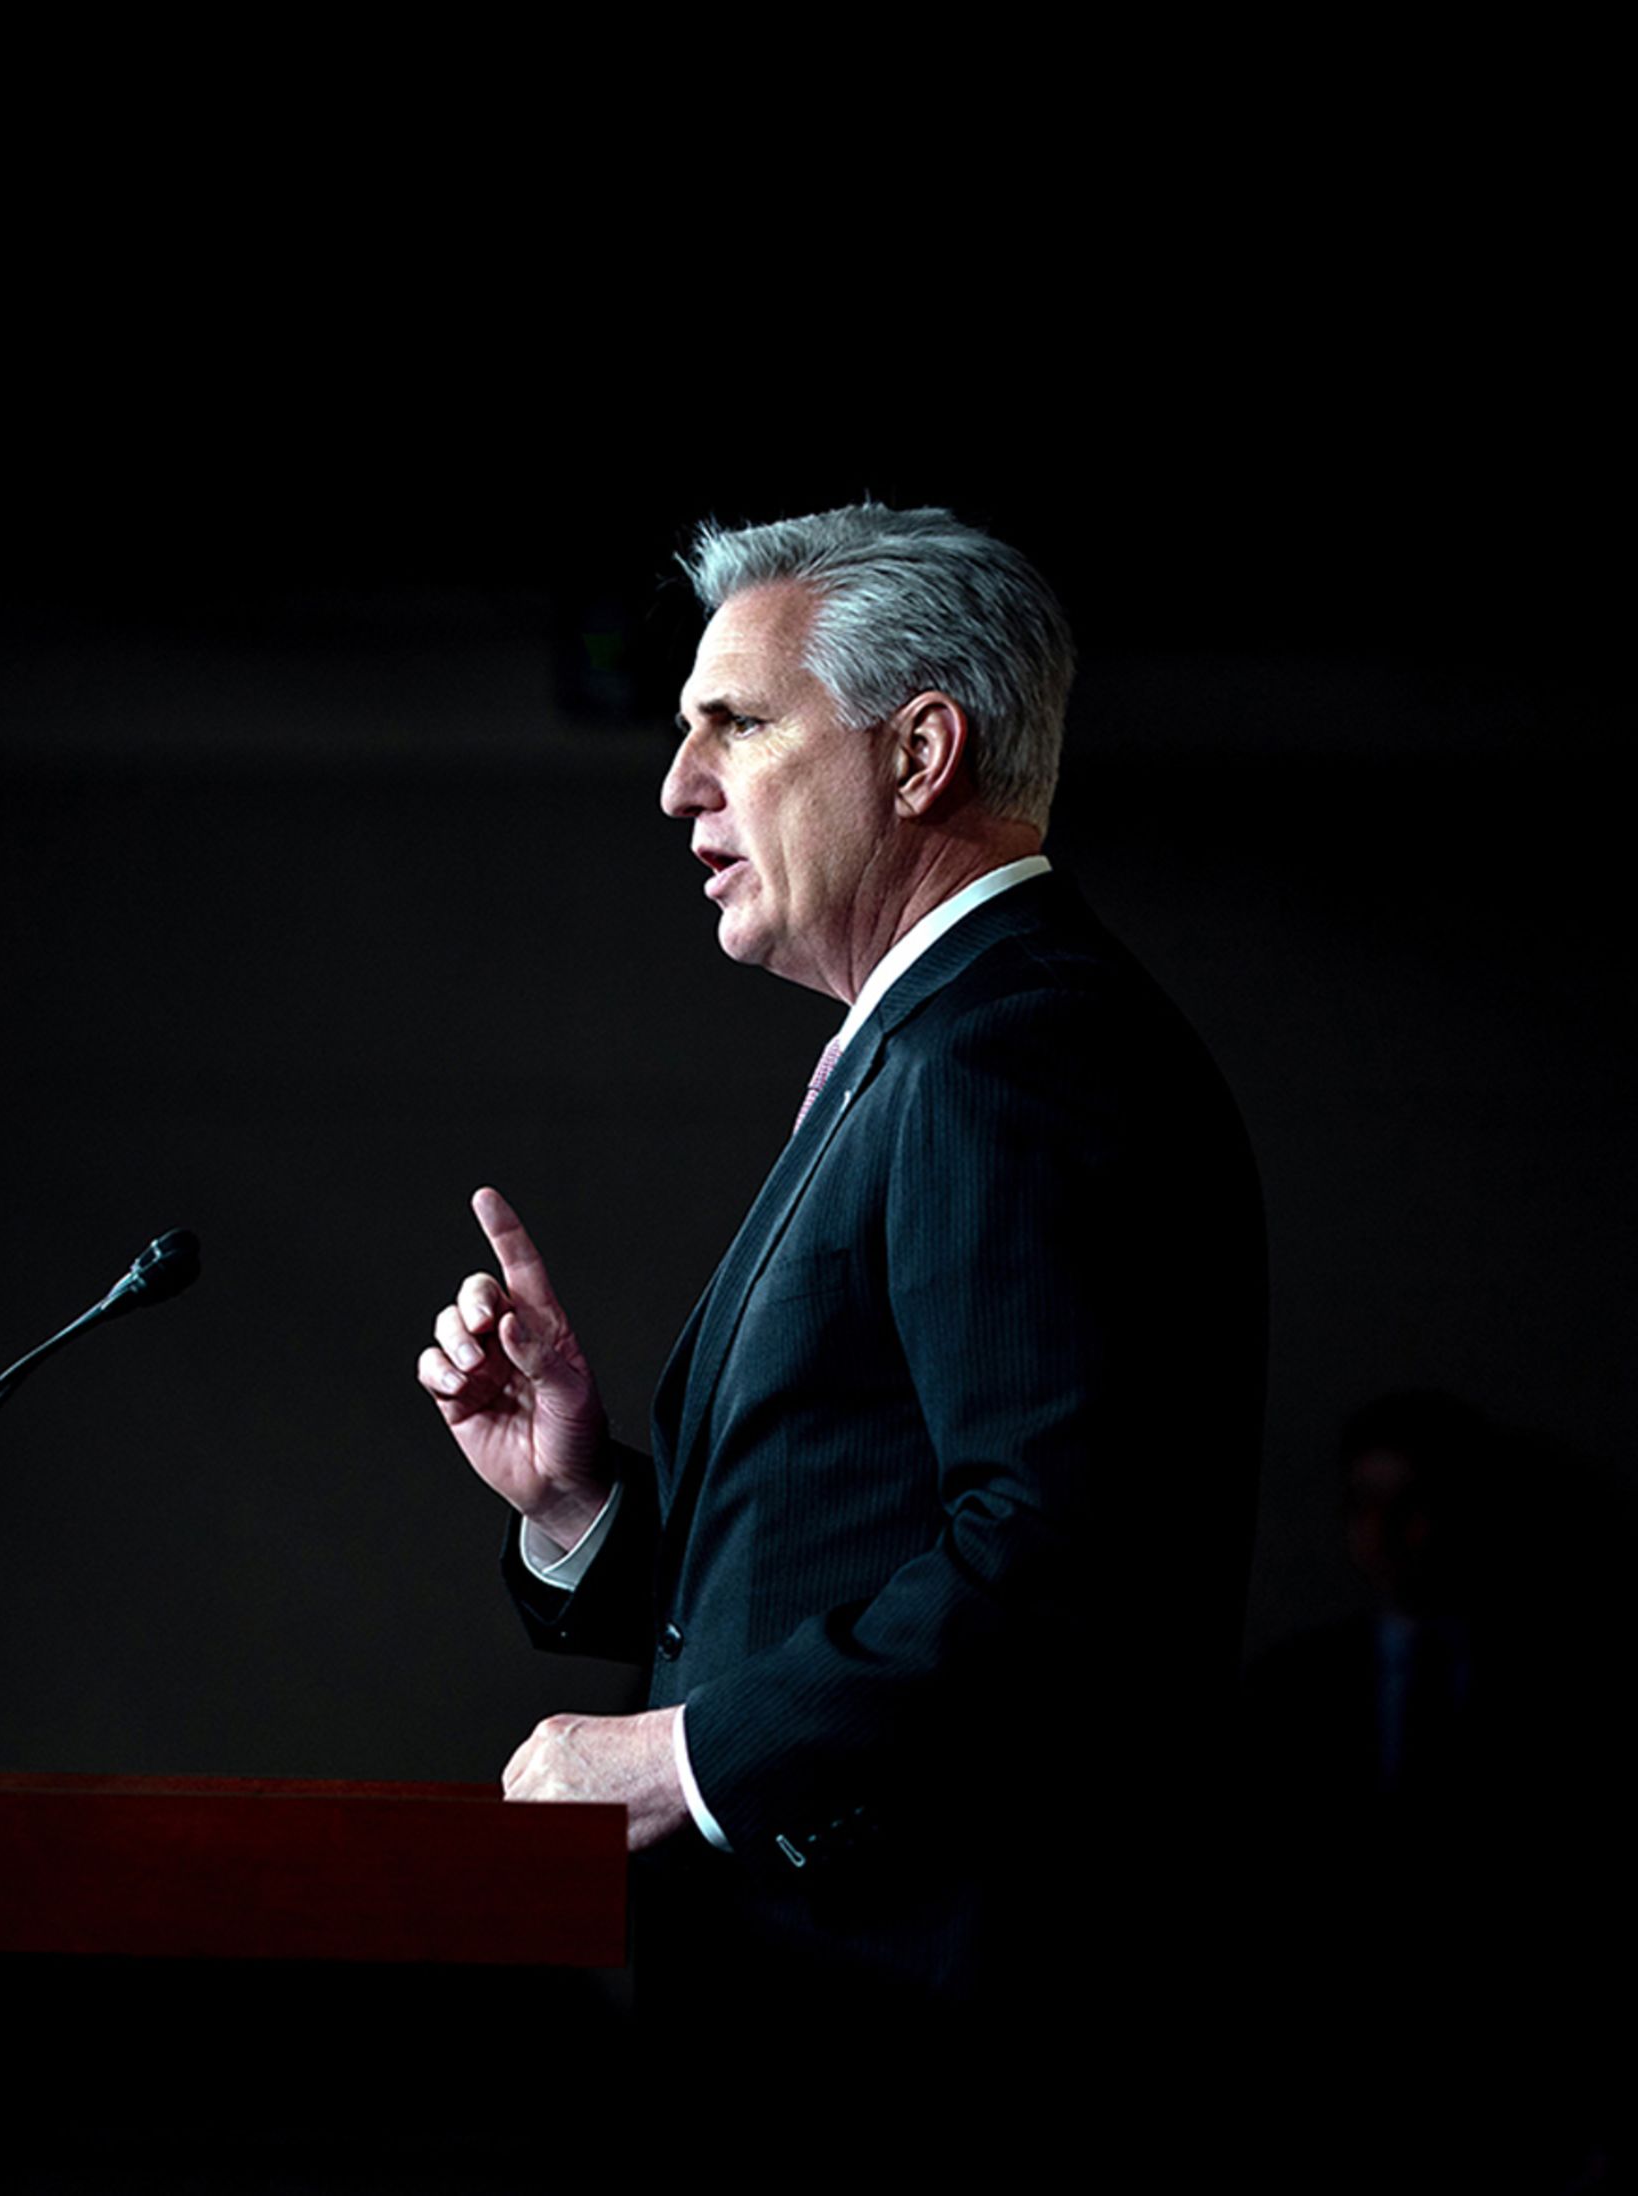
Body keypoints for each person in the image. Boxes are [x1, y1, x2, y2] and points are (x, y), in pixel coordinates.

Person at [417, 507, 1266, 2090]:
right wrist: (583, 1500)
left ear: (921, 752)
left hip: (932, 2042)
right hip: (839, 2016)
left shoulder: (1013, 1050)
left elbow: (1060, 1561)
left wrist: (689, 1756)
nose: (676, 785)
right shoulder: (938, 1042)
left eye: (733, 724)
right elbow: (843, 1547)